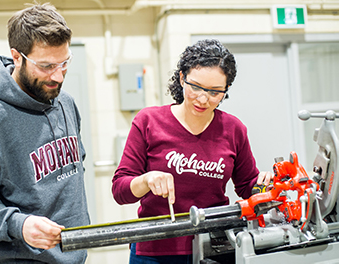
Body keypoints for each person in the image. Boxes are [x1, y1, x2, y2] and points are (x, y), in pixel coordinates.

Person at [0, 3, 90, 263]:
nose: (58, 76)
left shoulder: (65, 102)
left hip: (73, 257)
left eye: (64, 63)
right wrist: (17, 225)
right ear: (17, 56)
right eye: (46, 66)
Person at [112, 39, 273, 263]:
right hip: (156, 250)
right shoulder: (148, 122)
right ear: (181, 79)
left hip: (215, 247)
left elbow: (248, 188)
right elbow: (120, 190)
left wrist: (265, 185)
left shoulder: (234, 129)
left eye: (215, 92)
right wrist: (147, 180)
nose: (203, 99)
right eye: (195, 87)